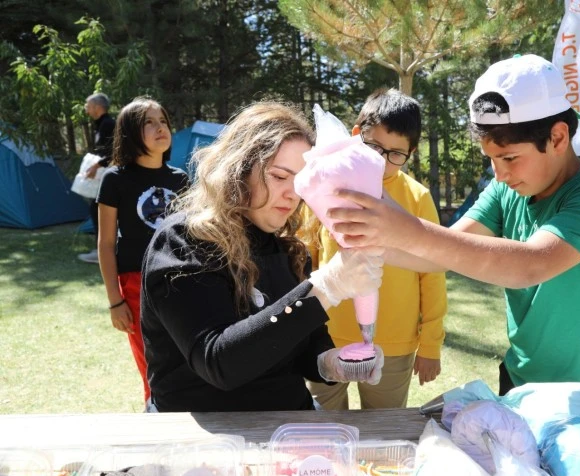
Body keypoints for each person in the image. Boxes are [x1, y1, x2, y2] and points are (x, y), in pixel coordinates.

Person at [327, 54, 580, 396]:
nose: (499, 174)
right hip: (522, 378)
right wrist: (370, 239)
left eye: (509, 158)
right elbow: (443, 252)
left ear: (559, 138)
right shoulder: (506, 189)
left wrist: (404, 227)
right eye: (491, 159)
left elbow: (530, 264)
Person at [140, 102, 385, 412]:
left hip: (288, 428)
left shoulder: (288, 249)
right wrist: (326, 288)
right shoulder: (183, 241)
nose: (292, 194)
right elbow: (219, 363)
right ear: (238, 169)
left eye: (300, 181)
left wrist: (330, 364)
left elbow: (304, 344)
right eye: (279, 176)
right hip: (205, 441)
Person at [301, 89, 447, 410]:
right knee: (321, 429)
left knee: (383, 433)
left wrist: (430, 345)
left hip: (393, 343)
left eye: (396, 153)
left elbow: (433, 273)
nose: (383, 160)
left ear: (410, 153)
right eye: (375, 146)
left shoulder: (417, 198)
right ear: (355, 135)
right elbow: (306, 262)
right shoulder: (324, 187)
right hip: (325, 339)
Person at [97, 96, 188, 405]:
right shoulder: (115, 180)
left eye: (163, 121)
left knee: (187, 361)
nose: (159, 127)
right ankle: (156, 419)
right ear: (130, 133)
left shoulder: (180, 179)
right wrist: (114, 301)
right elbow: (106, 244)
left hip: (180, 281)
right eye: (148, 122)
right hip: (136, 284)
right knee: (151, 365)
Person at [78, 93, 116, 264]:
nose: (86, 109)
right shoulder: (100, 124)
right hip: (102, 174)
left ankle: (103, 251)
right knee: (95, 209)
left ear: (97, 107)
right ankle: (100, 249)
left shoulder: (108, 124)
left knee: (99, 210)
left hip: (108, 175)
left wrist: (96, 165)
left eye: (88, 105)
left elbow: (113, 151)